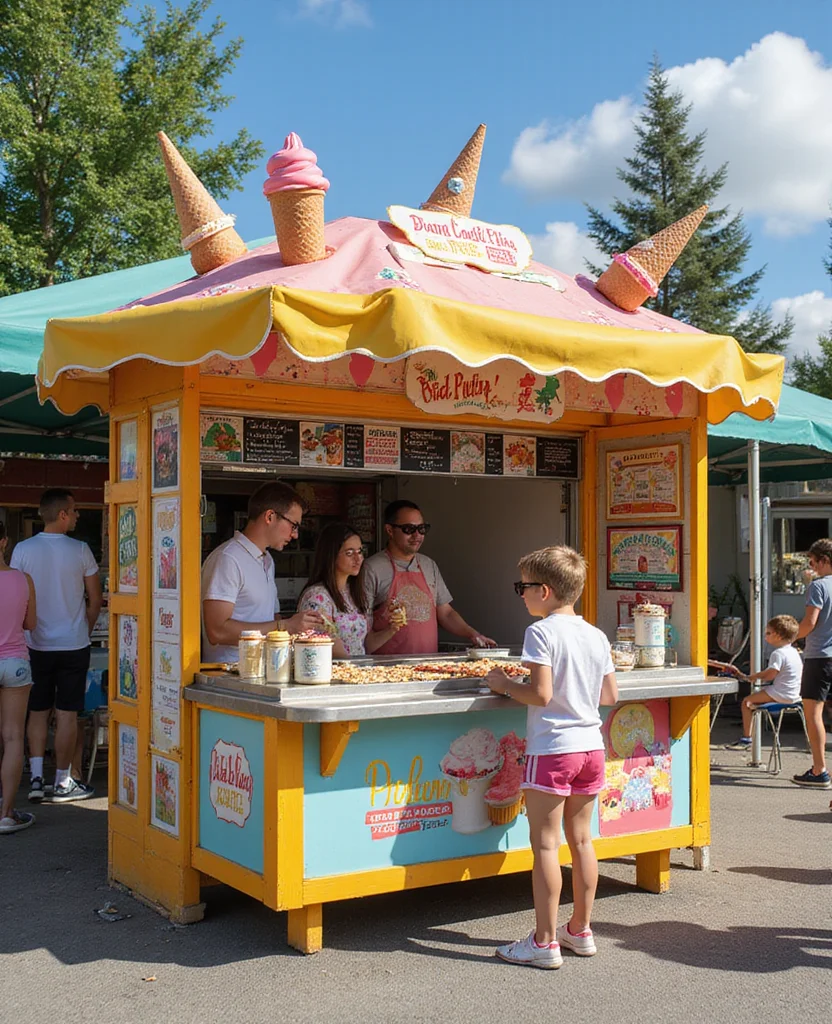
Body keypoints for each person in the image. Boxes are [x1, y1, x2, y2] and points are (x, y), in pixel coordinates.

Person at [485, 545, 618, 969]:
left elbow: (540, 694)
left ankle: (544, 941)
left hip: (554, 749)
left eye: (522, 586)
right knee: (582, 841)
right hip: (591, 747)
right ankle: (580, 930)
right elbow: (609, 695)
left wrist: (504, 684)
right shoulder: (595, 634)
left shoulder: (540, 633)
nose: (520, 593)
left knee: (545, 844)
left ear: (544, 591)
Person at [10, 489, 102, 803]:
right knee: (67, 713)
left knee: (36, 711)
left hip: (35, 643)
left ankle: (36, 778)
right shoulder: (81, 550)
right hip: (73, 644)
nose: (77, 516)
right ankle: (63, 780)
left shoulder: (23, 549)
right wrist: (85, 628)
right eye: (74, 511)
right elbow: (95, 599)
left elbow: (17, 595)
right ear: (62, 514)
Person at [202, 481, 324, 664]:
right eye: (294, 525)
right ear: (270, 517)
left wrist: (299, 627)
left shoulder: (267, 560)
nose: (295, 535)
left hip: (264, 668)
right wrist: (285, 626)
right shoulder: (228, 558)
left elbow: (270, 618)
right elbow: (217, 631)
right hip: (229, 672)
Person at [363, 500, 496, 656]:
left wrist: (473, 634)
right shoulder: (372, 569)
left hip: (428, 663)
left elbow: (445, 613)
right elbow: (362, 626)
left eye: (422, 529)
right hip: (386, 665)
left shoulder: (428, 565)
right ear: (390, 530)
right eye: (409, 529)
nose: (417, 535)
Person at [297, 523, 404, 657]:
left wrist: (392, 629)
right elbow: (328, 646)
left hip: (357, 667)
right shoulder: (317, 597)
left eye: (360, 551)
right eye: (349, 553)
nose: (358, 558)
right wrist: (353, 667)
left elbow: (365, 644)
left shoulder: (355, 593)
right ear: (331, 555)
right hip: (335, 669)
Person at [0, 523, 37, 833]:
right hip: (16, 662)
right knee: (12, 737)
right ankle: (7, 813)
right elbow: (31, 623)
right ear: (4, 541)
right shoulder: (24, 580)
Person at [723, 615, 802, 750]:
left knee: (747, 702)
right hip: (794, 695)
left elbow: (770, 675)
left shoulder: (778, 653)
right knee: (756, 700)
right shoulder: (794, 652)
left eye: (768, 633)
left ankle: (746, 738)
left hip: (780, 694)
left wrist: (753, 677)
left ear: (778, 635)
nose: (766, 636)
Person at [792, 538, 832, 789]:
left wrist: (790, 637)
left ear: (824, 560)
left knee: (813, 714)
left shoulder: (818, 586)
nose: (812, 568)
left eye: (813, 562)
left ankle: (819, 770)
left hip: (820, 656)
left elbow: (810, 622)